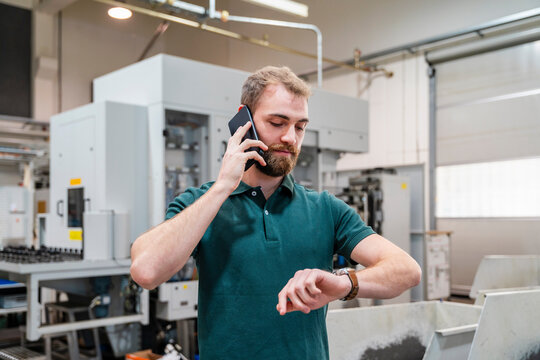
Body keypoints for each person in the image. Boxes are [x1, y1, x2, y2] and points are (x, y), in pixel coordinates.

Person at [130, 66, 421, 359]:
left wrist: (343, 284)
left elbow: (407, 271)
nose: (291, 138)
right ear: (244, 120)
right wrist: (222, 187)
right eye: (278, 122)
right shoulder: (200, 203)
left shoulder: (324, 209)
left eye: (300, 126)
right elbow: (146, 272)